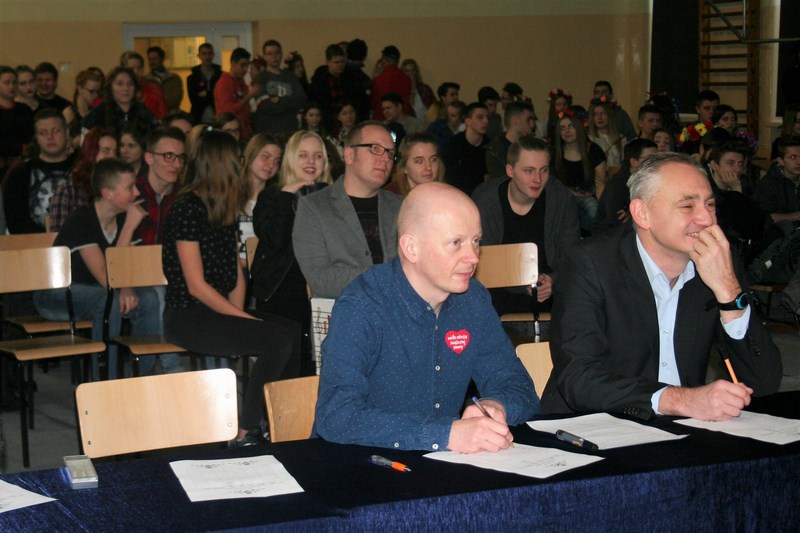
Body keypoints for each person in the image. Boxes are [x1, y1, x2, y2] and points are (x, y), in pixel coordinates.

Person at [541, 152, 782, 420]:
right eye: (687, 206)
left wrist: (728, 291)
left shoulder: (718, 261)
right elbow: (579, 378)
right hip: (592, 426)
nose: (706, 219)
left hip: (683, 429)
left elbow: (764, 383)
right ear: (642, 213)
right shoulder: (590, 263)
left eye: (710, 204)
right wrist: (678, 400)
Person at [314, 182, 539, 452]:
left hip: (440, 464)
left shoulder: (473, 300)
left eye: (476, 241)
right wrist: (446, 434)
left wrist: (496, 405)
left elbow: (518, 386)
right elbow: (336, 416)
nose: (472, 257)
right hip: (359, 463)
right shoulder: (362, 305)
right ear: (411, 248)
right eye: (455, 243)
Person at [161, 129, 301, 446]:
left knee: (292, 332)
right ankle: (245, 430)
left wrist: (239, 316)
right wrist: (241, 320)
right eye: (237, 159)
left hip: (217, 312)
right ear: (219, 164)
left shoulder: (223, 207)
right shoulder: (187, 208)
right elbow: (196, 286)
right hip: (187, 316)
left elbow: (236, 272)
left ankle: (278, 421)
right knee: (276, 339)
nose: (241, 165)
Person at [34, 158, 159, 380]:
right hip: (57, 295)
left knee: (148, 297)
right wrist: (129, 228)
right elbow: (106, 277)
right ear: (108, 193)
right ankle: (105, 380)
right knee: (108, 299)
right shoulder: (82, 220)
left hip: (98, 292)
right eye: (130, 187)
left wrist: (127, 287)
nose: (137, 192)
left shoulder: (123, 217)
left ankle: (144, 376)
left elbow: (131, 268)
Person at [293, 121, 403, 298]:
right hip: (343, 310)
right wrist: (384, 276)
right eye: (375, 148)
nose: (385, 159)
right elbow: (321, 280)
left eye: (390, 153)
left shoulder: (401, 206)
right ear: (349, 155)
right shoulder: (314, 207)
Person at [251, 131, 331, 375]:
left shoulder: (332, 197)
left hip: (322, 286)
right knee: (290, 349)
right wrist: (288, 195)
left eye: (318, 156)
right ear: (290, 159)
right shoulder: (272, 196)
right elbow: (275, 239)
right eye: (303, 155)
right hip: (280, 287)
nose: (311, 161)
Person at [473, 135, 580, 314]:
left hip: (552, 294)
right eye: (529, 171)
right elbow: (484, 263)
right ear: (510, 170)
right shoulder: (485, 202)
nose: (538, 179)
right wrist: (525, 285)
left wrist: (553, 279)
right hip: (497, 295)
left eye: (544, 170)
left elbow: (572, 253)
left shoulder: (560, 199)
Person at [4, 108, 74, 233]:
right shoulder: (20, 174)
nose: (50, 137)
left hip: (80, 240)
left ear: (67, 132)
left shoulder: (83, 169)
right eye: (43, 133)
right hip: (32, 242)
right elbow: (15, 222)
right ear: (36, 137)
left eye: (56, 131)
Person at [49, 127, 117, 232]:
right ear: (90, 154)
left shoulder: (118, 188)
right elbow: (59, 236)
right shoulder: (68, 190)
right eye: (106, 151)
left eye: (115, 152)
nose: (112, 157)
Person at [553, 112, 606, 234]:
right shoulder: (555, 153)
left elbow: (600, 183)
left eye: (571, 126)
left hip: (590, 195)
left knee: (593, 208)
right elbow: (554, 182)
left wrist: (602, 205)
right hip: (565, 195)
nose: (567, 131)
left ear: (579, 128)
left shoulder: (594, 150)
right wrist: (574, 194)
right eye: (562, 128)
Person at [593, 138, 658, 234]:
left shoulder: (652, 181)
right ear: (634, 161)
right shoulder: (617, 184)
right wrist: (633, 216)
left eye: (658, 158)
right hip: (609, 236)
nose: (656, 163)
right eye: (651, 159)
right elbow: (616, 221)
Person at [238, 132, 283, 266]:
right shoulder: (230, 195)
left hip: (263, 269)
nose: (271, 165)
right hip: (233, 269)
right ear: (251, 154)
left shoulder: (278, 199)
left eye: (277, 161)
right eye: (266, 157)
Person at [308, 44, 369, 133]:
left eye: (342, 62)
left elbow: (361, 101)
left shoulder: (352, 79)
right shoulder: (320, 81)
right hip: (328, 123)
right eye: (336, 62)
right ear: (328, 62)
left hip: (349, 122)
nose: (340, 65)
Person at [81, 67, 157, 138]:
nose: (126, 88)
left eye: (130, 84)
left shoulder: (144, 114)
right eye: (120, 84)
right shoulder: (97, 115)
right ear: (111, 87)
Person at [252, 39, 306, 135]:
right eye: (270, 54)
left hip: (290, 129)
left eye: (277, 53)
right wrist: (289, 103)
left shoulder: (291, 76)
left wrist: (279, 100)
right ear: (265, 57)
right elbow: (264, 105)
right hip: (268, 131)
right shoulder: (260, 78)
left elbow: (301, 99)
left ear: (281, 54)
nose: (274, 56)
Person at [443, 102, 490, 196]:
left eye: (487, 117)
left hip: (482, 195)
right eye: (480, 117)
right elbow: (449, 178)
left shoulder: (490, 146)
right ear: (468, 121)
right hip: (457, 195)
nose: (486, 121)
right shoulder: (454, 146)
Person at [214, 47, 260, 141]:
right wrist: (249, 96)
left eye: (247, 66)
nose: (245, 70)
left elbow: (246, 111)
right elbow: (228, 112)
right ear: (233, 63)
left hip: (244, 134)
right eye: (242, 65)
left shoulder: (242, 83)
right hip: (229, 135)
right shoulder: (224, 83)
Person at [758, 135, 800, 236]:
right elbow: (768, 217)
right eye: (793, 157)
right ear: (781, 160)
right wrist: (796, 216)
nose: (799, 162)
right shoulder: (769, 182)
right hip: (779, 234)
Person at [485, 101, 534, 180]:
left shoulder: (532, 147)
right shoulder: (495, 151)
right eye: (528, 120)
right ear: (515, 120)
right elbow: (499, 181)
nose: (532, 125)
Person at [0, 65, 35, 174]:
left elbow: (33, 135)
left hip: (23, 165)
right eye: (7, 83)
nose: (11, 86)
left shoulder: (24, 110)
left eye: (14, 82)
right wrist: (19, 148)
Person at [120, 51, 168, 121]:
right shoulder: (117, 94)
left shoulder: (154, 90)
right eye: (131, 69)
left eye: (139, 68)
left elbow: (163, 118)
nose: (136, 72)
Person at [63, 69, 103, 147]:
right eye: (91, 91)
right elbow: (62, 145)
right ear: (80, 88)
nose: (96, 95)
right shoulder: (69, 113)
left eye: (97, 91)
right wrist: (77, 141)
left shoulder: (95, 113)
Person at [371, 45, 411, 121]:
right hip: (402, 120)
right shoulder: (406, 79)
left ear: (384, 60)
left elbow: (374, 103)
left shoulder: (379, 79)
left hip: (382, 120)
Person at [187, 42, 222, 125]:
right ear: (199, 56)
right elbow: (194, 100)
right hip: (198, 119)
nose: (207, 56)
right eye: (204, 53)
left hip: (218, 119)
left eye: (209, 53)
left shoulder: (221, 76)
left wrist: (206, 94)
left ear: (213, 55)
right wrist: (212, 94)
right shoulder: (192, 78)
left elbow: (221, 97)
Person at [587, 99, 624, 170]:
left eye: (603, 113)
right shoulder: (589, 140)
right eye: (595, 114)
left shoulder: (621, 138)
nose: (599, 117)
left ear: (609, 116)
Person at [145, 46, 184, 113]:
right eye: (150, 59)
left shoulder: (174, 79)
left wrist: (157, 101)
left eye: (155, 59)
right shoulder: (145, 80)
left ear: (162, 59)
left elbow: (175, 100)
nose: (152, 62)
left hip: (172, 115)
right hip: (153, 115)